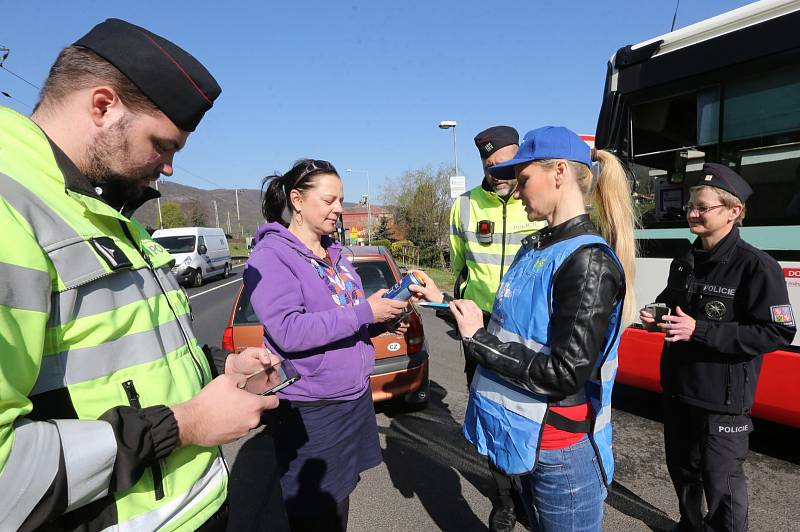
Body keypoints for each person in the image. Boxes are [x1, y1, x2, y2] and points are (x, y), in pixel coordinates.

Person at [0, 19, 282, 531]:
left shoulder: (103, 207)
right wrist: (185, 425)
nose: (169, 168)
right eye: (163, 144)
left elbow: (124, 361)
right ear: (103, 106)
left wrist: (222, 370)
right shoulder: (11, 208)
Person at [415, 126, 638, 531]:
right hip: (524, 443)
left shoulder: (587, 261)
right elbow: (502, 326)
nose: (516, 192)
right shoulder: (535, 247)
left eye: (523, 179)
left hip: (560, 453)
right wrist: (444, 302)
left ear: (558, 173)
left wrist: (477, 342)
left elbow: (565, 373)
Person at [243, 159, 409, 532]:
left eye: (342, 200)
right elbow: (289, 330)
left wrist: (382, 320)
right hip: (313, 407)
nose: (339, 209)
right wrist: (365, 311)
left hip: (352, 399)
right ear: (297, 200)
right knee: (315, 513)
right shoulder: (272, 256)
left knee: (339, 500)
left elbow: (344, 323)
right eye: (330, 200)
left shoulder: (334, 254)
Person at [640, 163, 796, 532]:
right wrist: (656, 315)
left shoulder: (757, 266)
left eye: (703, 207)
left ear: (734, 212)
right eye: (691, 206)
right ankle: (690, 525)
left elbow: (777, 332)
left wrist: (701, 331)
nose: (692, 213)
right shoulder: (686, 261)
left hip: (722, 402)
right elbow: (674, 307)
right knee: (682, 472)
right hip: (678, 391)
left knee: (722, 486)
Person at [448, 125, 544, 531]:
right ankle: (505, 500)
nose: (500, 170)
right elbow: (459, 269)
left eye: (507, 162)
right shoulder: (464, 206)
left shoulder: (536, 198)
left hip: (531, 327)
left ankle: (535, 491)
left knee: (534, 412)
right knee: (490, 413)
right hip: (481, 326)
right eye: (491, 165)